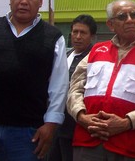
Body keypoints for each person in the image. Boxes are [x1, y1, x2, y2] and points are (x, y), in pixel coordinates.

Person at [0, 0, 69, 160]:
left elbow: (59, 85)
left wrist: (51, 124)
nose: (24, 1)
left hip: (28, 134)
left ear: (40, 1)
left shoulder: (53, 37)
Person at [67, 0, 135, 161]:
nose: (129, 20)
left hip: (129, 146)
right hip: (88, 142)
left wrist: (127, 123)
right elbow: (75, 89)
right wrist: (82, 117)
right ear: (110, 24)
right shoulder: (96, 51)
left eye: (134, 15)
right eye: (122, 16)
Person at [48, 14, 97, 161]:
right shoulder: (65, 54)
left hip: (75, 126)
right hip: (55, 123)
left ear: (92, 36)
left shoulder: (95, 58)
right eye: (75, 32)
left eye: (83, 33)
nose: (78, 36)